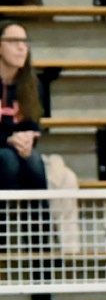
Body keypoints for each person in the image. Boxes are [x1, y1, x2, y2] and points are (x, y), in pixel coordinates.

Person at [0, 21, 48, 250]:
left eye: (24, 42)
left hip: (18, 149)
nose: (21, 47)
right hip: (4, 150)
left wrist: (29, 138)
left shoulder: (31, 84)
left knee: (35, 162)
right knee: (7, 160)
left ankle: (41, 253)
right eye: (13, 41)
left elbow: (34, 123)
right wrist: (8, 139)